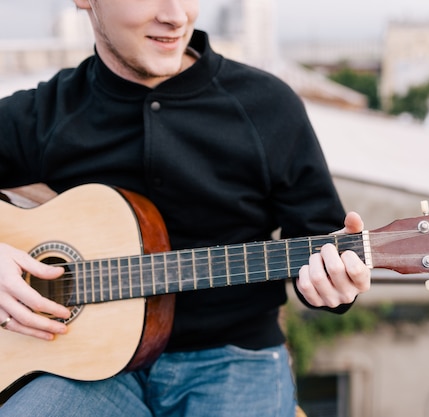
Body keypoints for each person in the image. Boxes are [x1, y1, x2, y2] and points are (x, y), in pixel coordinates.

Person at [0, 1, 371, 416]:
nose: (176, 16)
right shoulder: (41, 115)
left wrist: (336, 285)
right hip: (81, 364)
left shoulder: (267, 106)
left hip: (233, 360)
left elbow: (323, 249)